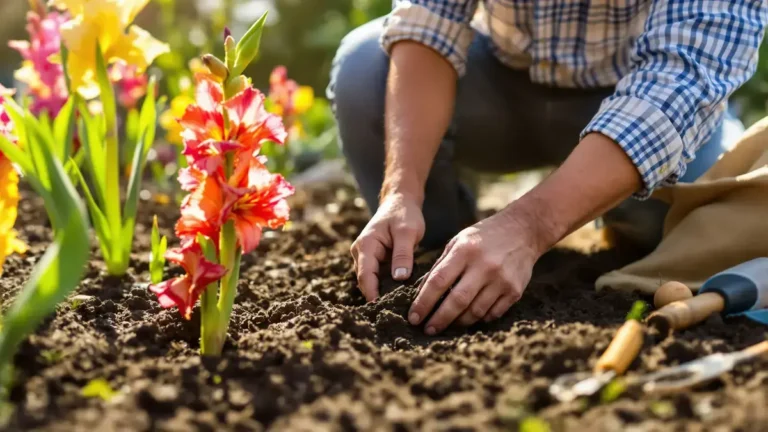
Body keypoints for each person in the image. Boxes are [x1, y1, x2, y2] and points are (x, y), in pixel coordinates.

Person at [327, 0, 767, 335]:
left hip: (641, 97)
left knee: (695, 229)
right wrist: (402, 190)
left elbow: (682, 83)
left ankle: (616, 225)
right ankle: (434, 254)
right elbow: (428, 18)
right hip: (498, 84)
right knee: (367, 67)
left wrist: (528, 226)